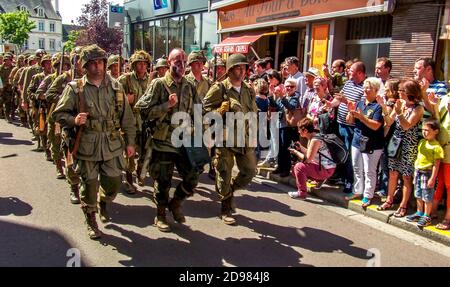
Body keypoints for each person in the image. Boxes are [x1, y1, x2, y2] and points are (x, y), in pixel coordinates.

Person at [52, 45, 136, 239]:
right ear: (85, 66)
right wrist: (74, 120)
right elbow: (58, 114)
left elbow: (127, 118)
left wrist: (130, 143)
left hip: (112, 143)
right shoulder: (75, 88)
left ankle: (104, 202)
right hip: (86, 144)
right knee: (89, 184)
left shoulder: (116, 86)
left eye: (100, 62)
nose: (98, 67)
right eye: (93, 63)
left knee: (113, 183)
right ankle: (91, 219)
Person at [135, 48, 201, 232]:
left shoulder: (189, 86)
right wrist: (166, 105)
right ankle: (161, 214)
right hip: (163, 140)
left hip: (183, 140)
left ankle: (176, 202)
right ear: (169, 63)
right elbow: (142, 109)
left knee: (192, 176)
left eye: (184, 61)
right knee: (163, 180)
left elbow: (198, 111)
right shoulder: (158, 84)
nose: (181, 65)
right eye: (177, 61)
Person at [203, 53, 258, 225]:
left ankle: (230, 191)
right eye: (238, 67)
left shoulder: (249, 90)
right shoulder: (220, 88)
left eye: (244, 68)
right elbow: (204, 111)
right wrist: (219, 110)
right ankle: (225, 208)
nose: (242, 71)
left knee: (249, 171)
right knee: (224, 173)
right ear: (229, 70)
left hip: (244, 138)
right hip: (224, 139)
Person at [377, 79, 424, 217]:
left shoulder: (418, 108)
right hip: (395, 141)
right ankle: (389, 200)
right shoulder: (400, 104)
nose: (398, 93)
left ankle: (403, 205)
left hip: (409, 144)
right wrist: (384, 108)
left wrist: (399, 113)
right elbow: (390, 121)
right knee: (392, 173)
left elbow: (407, 125)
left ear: (409, 92)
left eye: (401, 90)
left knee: (406, 176)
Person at [46, 46, 84, 205]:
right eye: (78, 60)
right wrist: (66, 97)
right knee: (70, 155)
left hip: (85, 124)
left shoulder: (92, 77)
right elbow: (49, 94)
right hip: (67, 122)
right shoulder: (64, 78)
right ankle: (74, 187)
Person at [344, 77, 384, 207]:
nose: (366, 90)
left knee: (369, 171)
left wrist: (362, 117)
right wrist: (351, 113)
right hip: (357, 140)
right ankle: (357, 190)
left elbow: (376, 125)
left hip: (372, 143)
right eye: (365, 87)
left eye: (369, 87)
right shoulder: (359, 103)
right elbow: (350, 121)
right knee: (357, 167)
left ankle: (368, 195)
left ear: (376, 90)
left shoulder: (378, 106)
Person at [328, 61, 366, 193]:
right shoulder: (349, 83)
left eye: (351, 71)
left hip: (353, 127)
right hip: (341, 123)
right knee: (342, 152)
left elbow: (362, 107)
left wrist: (345, 101)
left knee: (351, 155)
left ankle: (350, 181)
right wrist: (330, 104)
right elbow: (339, 98)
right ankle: (343, 178)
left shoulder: (364, 87)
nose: (348, 72)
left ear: (360, 73)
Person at [118, 50, 153, 191]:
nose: (142, 66)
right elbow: (115, 102)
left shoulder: (151, 81)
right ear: (133, 65)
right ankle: (129, 180)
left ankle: (140, 172)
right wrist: (126, 99)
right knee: (129, 153)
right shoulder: (124, 80)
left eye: (145, 63)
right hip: (130, 122)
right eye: (139, 63)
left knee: (146, 152)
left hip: (145, 122)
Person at [405, 119, 443, 227]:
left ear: (436, 131)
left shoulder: (436, 147)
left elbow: (437, 164)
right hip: (418, 171)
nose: (424, 132)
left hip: (428, 173)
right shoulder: (422, 142)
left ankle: (427, 215)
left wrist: (432, 178)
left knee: (427, 195)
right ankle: (419, 212)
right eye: (423, 130)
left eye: (427, 130)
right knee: (418, 193)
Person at [288, 118, 336, 199]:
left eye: (299, 130)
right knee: (295, 169)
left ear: (305, 130)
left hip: (326, 169)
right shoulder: (314, 136)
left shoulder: (315, 140)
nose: (298, 132)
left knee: (299, 167)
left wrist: (296, 152)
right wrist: (300, 147)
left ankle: (302, 193)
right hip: (325, 167)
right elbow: (311, 153)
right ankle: (320, 179)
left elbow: (307, 159)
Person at [269, 78, 300, 177]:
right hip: (280, 124)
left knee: (285, 147)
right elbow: (276, 107)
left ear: (295, 88)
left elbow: (291, 107)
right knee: (279, 147)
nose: (289, 88)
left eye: (292, 86)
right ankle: (280, 167)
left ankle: (286, 169)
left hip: (288, 126)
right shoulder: (283, 96)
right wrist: (271, 95)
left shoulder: (295, 97)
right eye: (287, 86)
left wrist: (282, 98)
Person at [258, 70, 282, 168]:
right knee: (272, 138)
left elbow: (277, 103)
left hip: (278, 116)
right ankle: (270, 158)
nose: (269, 81)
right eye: (268, 79)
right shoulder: (272, 88)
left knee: (275, 139)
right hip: (272, 115)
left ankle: (274, 160)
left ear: (276, 78)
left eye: (271, 78)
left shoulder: (280, 87)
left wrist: (272, 95)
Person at [0, 53, 14, 123]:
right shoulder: (0, 68)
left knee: (8, 102)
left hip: (9, 87)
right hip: (1, 87)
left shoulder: (13, 68)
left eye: (9, 60)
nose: (8, 62)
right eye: (6, 60)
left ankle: (7, 115)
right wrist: (1, 86)